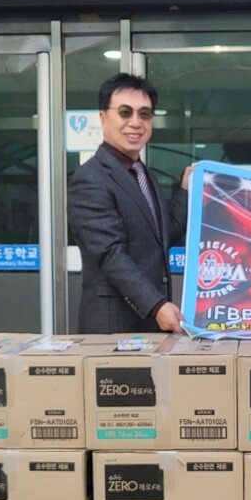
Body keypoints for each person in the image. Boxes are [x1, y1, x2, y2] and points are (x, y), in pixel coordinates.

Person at [68, 73, 192, 333]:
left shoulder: (145, 176)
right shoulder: (90, 178)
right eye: (125, 112)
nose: (135, 123)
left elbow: (163, 237)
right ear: (103, 117)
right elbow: (110, 254)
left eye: (144, 114)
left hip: (149, 324)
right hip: (113, 328)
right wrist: (156, 305)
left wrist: (185, 191)